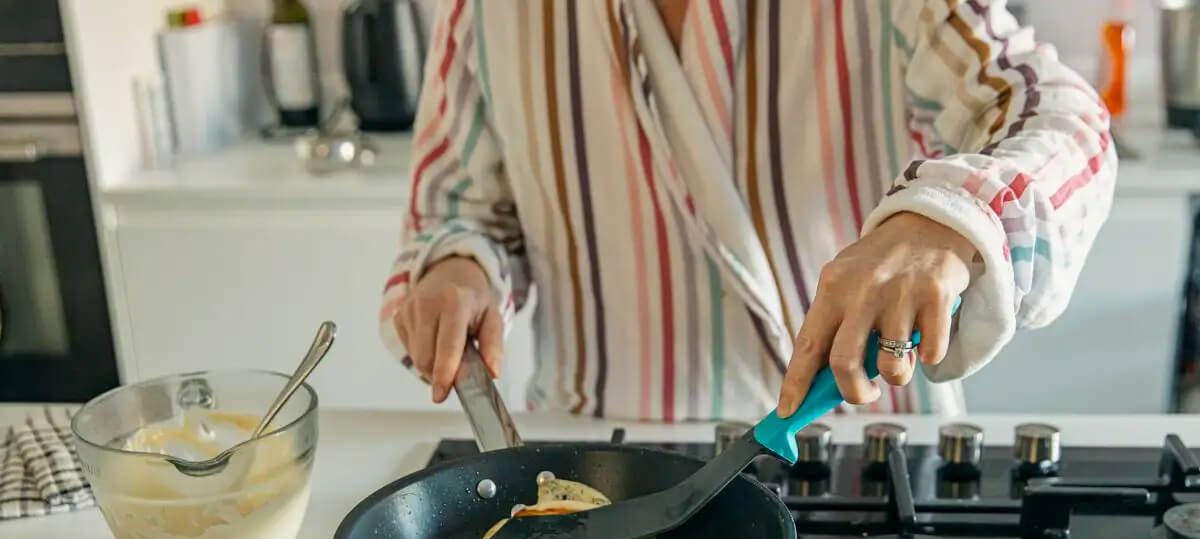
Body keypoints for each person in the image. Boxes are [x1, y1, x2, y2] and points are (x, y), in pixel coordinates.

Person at [380, 0, 1115, 421]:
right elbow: (458, 208)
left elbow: (1060, 117)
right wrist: (457, 268)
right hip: (595, 456)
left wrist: (947, 217)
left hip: (866, 447)